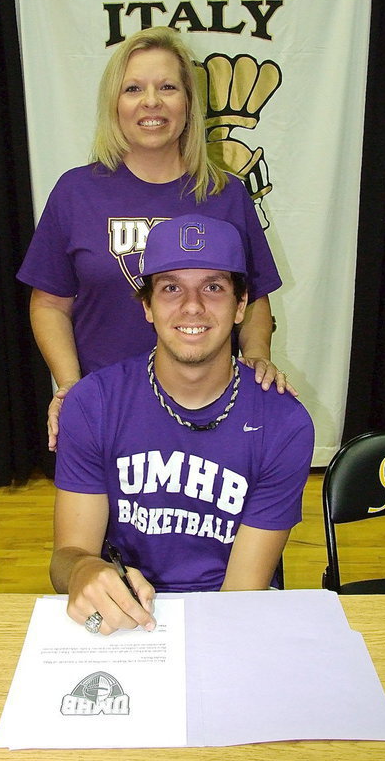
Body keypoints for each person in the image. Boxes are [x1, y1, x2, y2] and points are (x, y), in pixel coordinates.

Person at [16, 26, 297, 451]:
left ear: (188, 102)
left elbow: (253, 297)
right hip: (109, 411)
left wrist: (257, 355)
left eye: (167, 86)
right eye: (133, 88)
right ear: (115, 103)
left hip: (211, 409)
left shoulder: (227, 194)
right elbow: (50, 303)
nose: (151, 102)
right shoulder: (75, 192)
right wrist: (72, 387)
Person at [51, 214, 314, 635]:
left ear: (241, 305)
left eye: (213, 287)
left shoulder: (284, 422)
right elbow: (66, 554)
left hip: (230, 613)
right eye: (171, 287)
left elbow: (242, 594)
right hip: (126, 609)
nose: (192, 306)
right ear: (147, 306)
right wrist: (84, 569)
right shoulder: (93, 403)